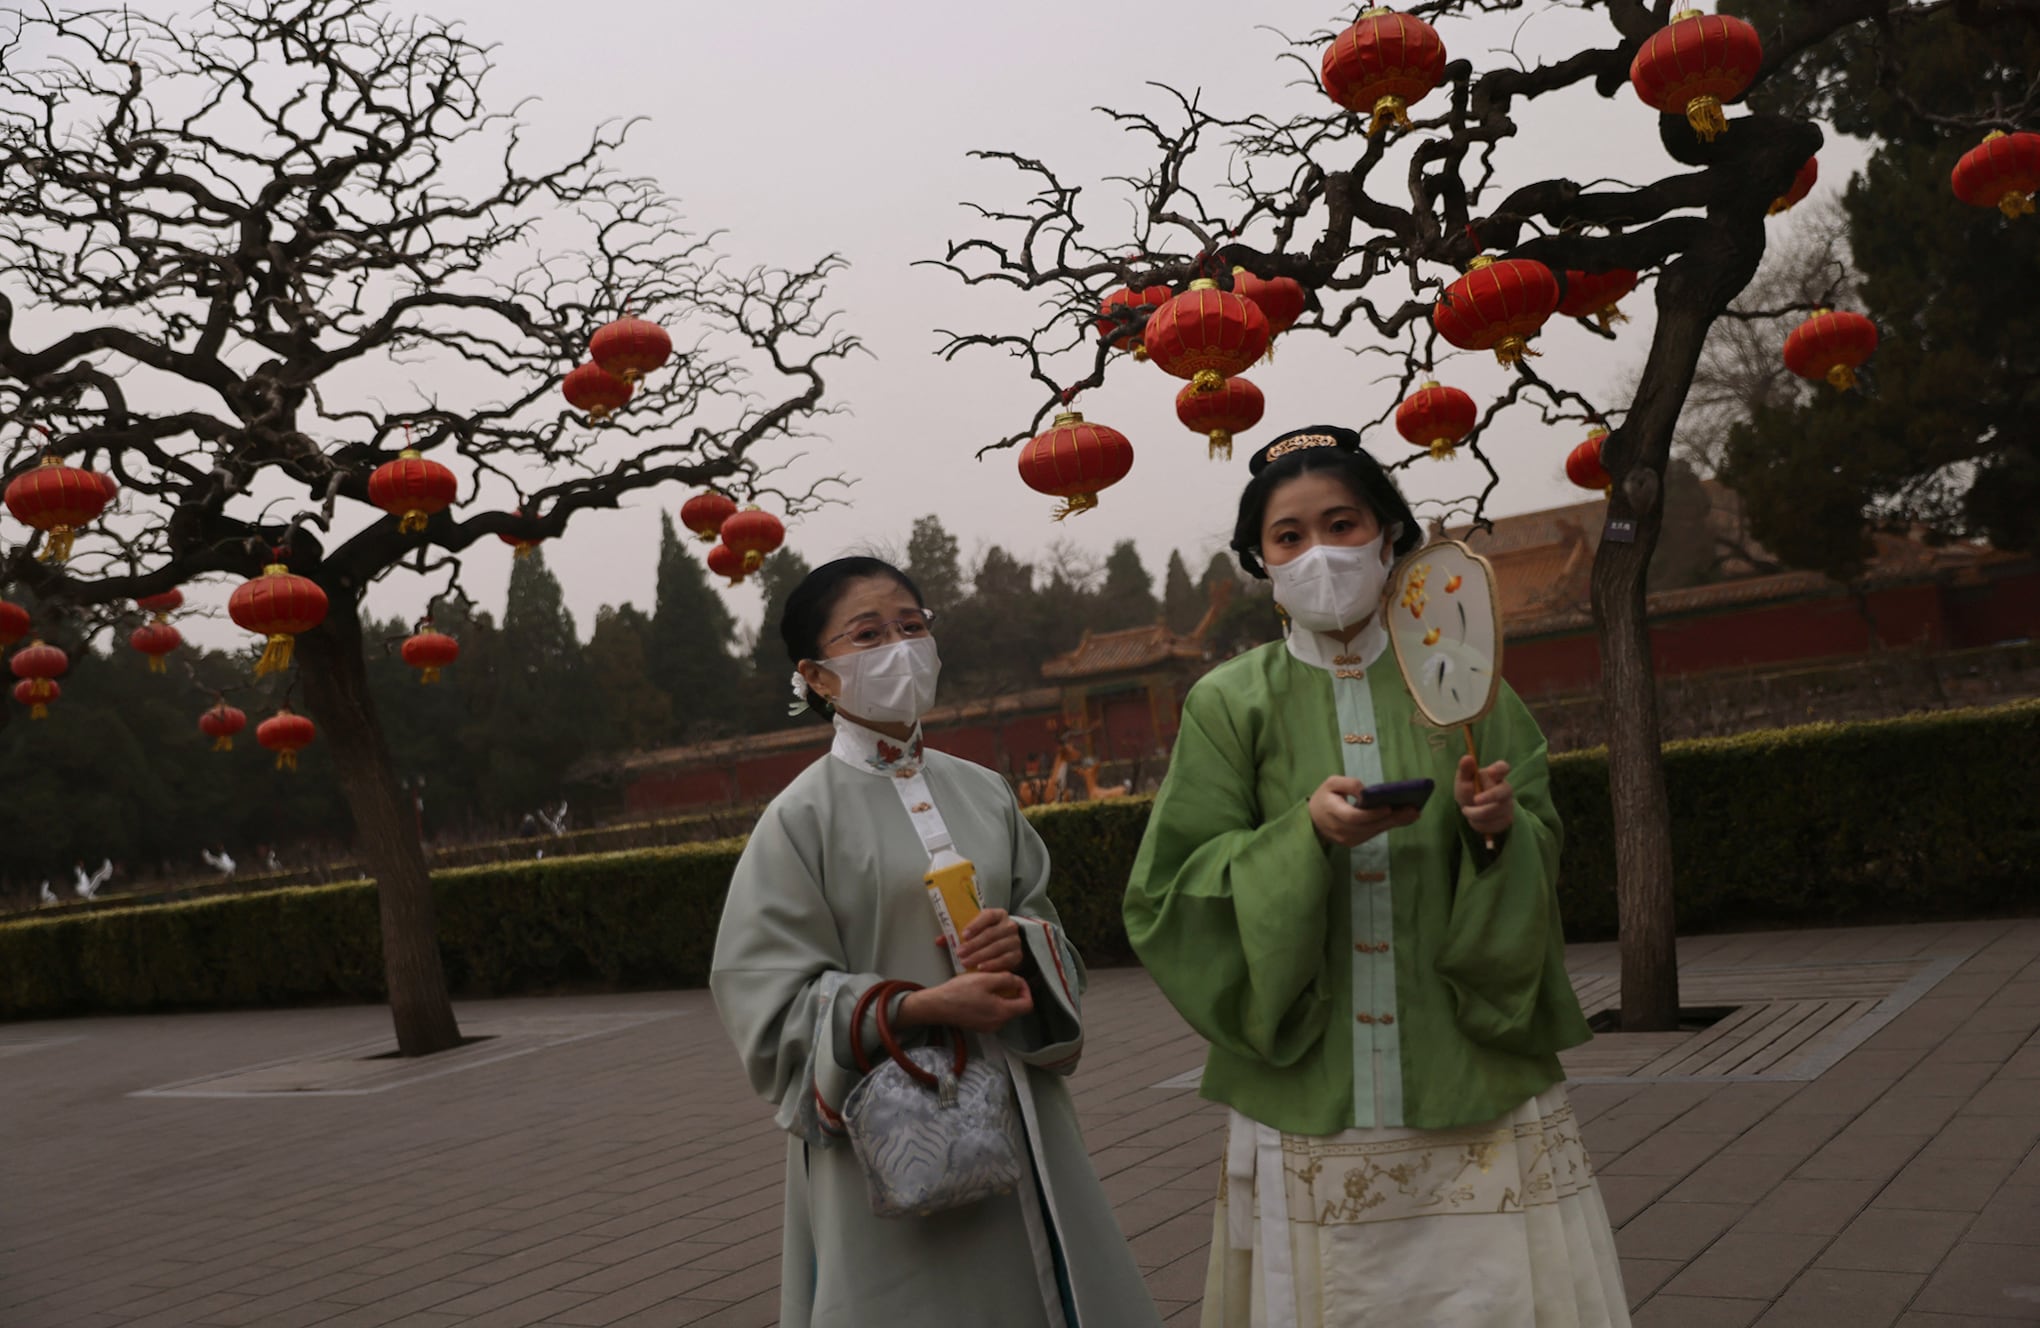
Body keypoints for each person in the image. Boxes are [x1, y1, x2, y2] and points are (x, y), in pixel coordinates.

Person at [1123, 426, 1628, 1327]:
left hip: (1465, 1055)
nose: (1319, 552)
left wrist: (1496, 830)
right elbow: (1172, 892)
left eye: (1342, 523)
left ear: (1388, 535)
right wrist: (1302, 836)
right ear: (1261, 559)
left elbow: (1540, 835)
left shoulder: (1467, 678)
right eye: (1289, 536)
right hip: (1313, 1067)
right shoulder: (1229, 702)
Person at [711, 556, 1161, 1328]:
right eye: (869, 633)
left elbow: (1045, 924)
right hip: (887, 1128)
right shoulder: (799, 820)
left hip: (1021, 1105)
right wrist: (917, 1006)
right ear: (817, 677)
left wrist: (1022, 943)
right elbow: (765, 996)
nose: (900, 645)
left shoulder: (982, 788)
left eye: (912, 626)